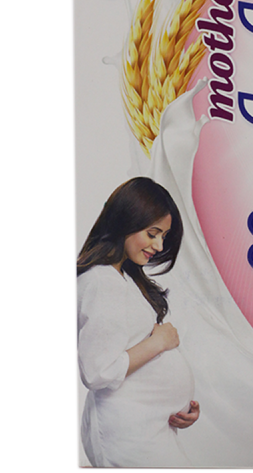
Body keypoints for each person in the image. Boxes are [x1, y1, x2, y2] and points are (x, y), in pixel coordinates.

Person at [77, 177, 200, 467]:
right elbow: (98, 372)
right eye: (152, 233)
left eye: (163, 236)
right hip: (128, 434)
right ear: (125, 221)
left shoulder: (122, 278)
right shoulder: (101, 281)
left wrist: (178, 406)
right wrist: (160, 342)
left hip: (148, 428)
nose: (159, 245)